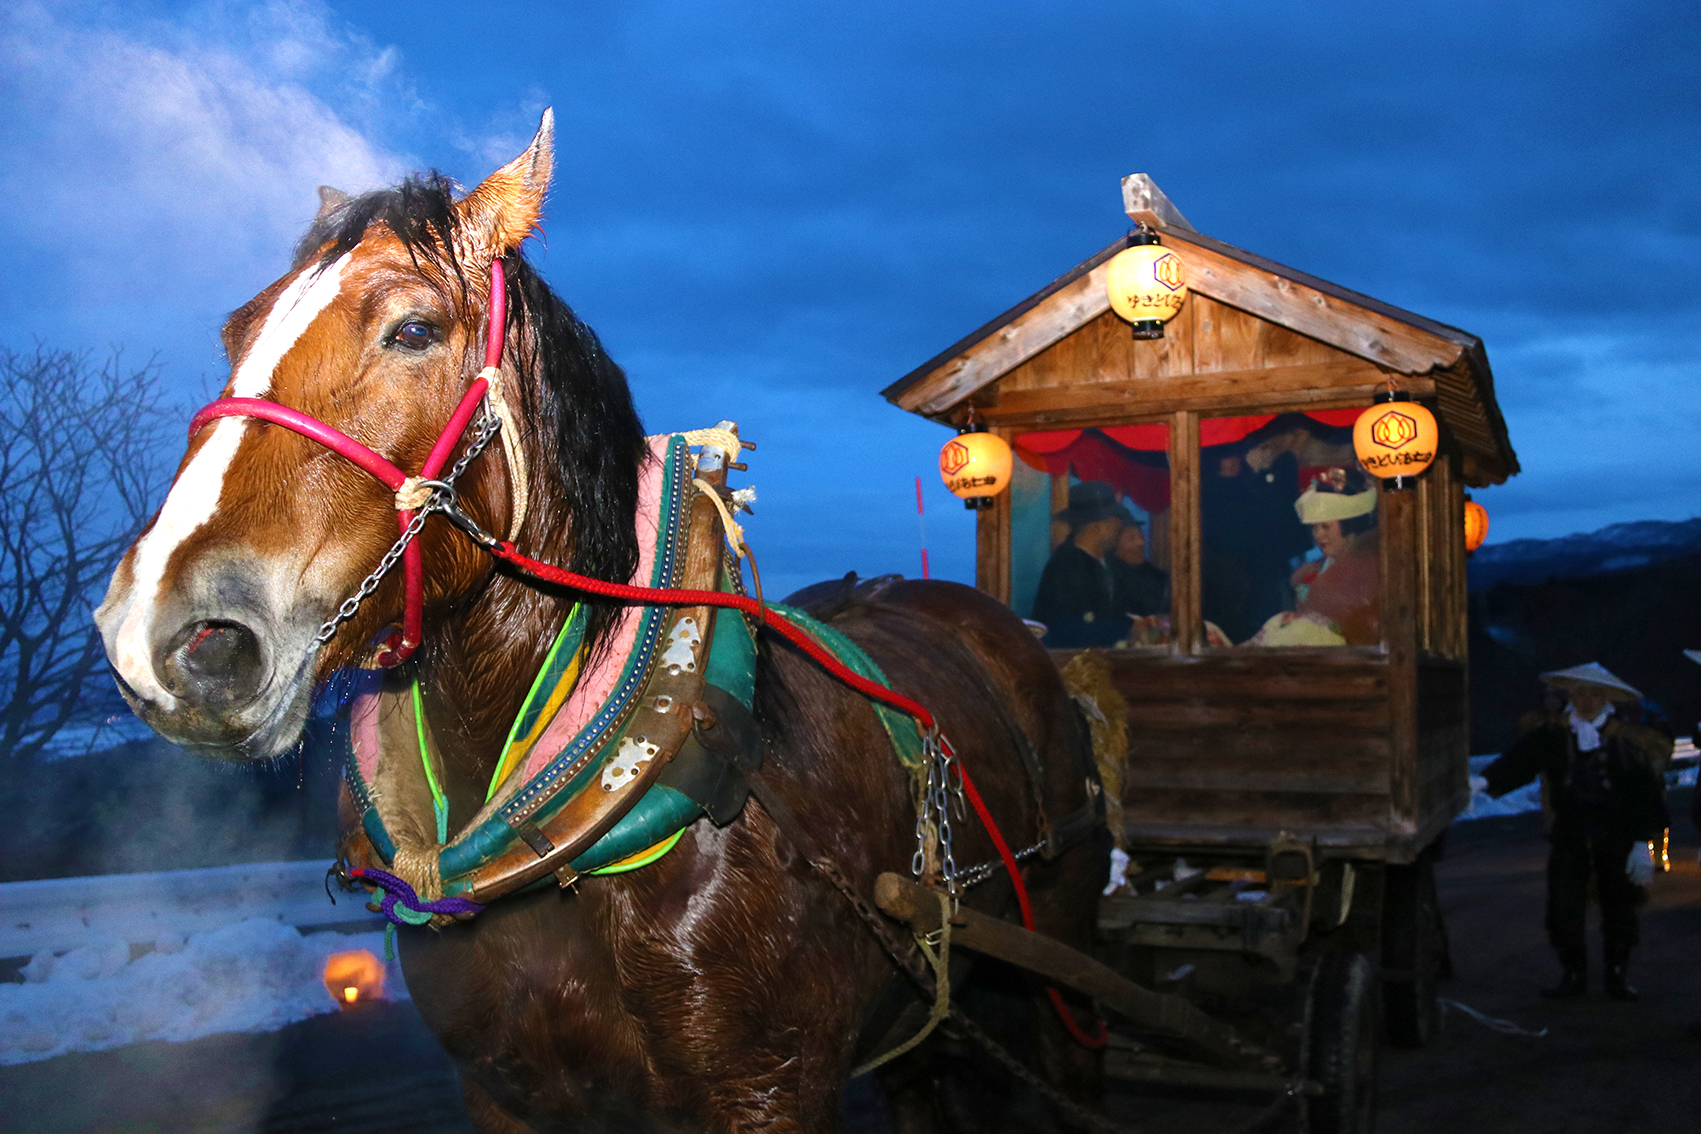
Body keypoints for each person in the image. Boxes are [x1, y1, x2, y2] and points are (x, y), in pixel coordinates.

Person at [1482, 663, 1672, 1000]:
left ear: (1606, 698)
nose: (1586, 700)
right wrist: (1484, 782)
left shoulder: (1625, 740)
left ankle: (1616, 976)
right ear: (1571, 696)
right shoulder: (1553, 736)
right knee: (1562, 910)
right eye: (1580, 693)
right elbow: (1519, 761)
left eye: (1594, 693)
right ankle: (1573, 974)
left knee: (1619, 908)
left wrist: (1643, 843)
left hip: (1616, 835)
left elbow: (1644, 793)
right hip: (1570, 834)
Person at [1245, 468, 1379, 647]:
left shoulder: (1365, 566)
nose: (1318, 535)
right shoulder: (1315, 568)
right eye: (1315, 528)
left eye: (1325, 527)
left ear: (1349, 525)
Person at [1031, 481, 1135, 648]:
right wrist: (1126, 629)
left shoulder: (1113, 564)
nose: (1119, 526)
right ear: (1098, 526)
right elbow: (1065, 628)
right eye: (1115, 520)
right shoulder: (1064, 566)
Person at [1109, 519, 1168, 618]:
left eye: (1140, 537)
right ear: (1115, 544)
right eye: (1131, 538)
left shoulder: (1158, 576)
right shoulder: (1107, 576)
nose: (1140, 543)